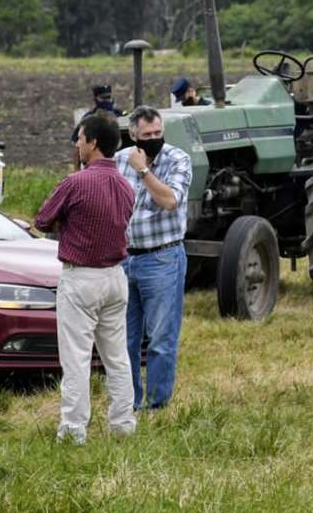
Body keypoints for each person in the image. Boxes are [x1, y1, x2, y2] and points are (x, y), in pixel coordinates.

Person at [34, 114, 136, 445]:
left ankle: (73, 429)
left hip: (81, 278)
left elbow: (42, 220)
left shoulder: (75, 182)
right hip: (115, 276)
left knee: (76, 358)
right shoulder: (126, 185)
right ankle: (123, 423)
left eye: (79, 138)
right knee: (117, 357)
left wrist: (66, 223)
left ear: (92, 143)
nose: (77, 144)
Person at [114, 106, 193, 411]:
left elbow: (170, 200)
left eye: (158, 133)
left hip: (162, 258)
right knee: (125, 338)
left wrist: (144, 171)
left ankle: (157, 403)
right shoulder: (119, 160)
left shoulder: (177, 159)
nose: (154, 138)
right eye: (147, 135)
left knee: (160, 336)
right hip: (125, 259)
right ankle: (129, 402)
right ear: (133, 135)